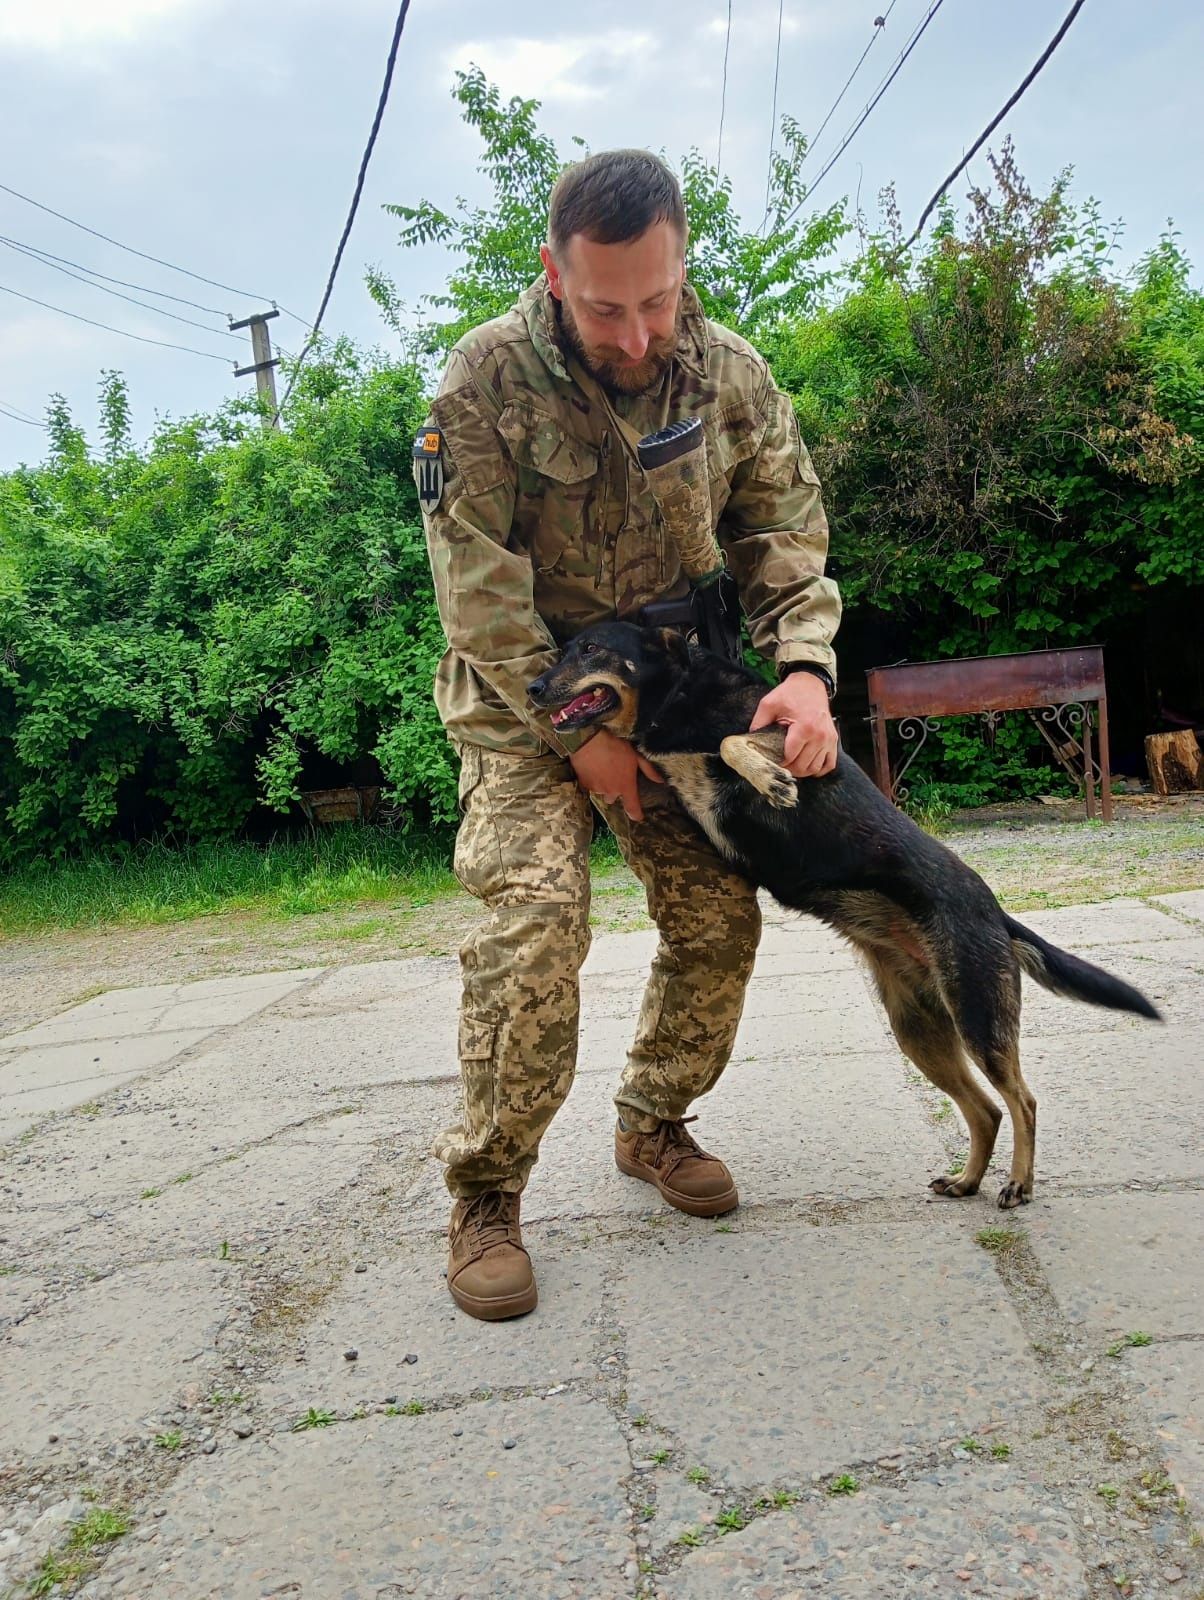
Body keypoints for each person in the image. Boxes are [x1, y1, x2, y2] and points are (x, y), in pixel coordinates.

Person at [414, 149, 840, 1321]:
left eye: (657, 298)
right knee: (540, 916)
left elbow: (782, 528)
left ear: (681, 263)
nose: (640, 332)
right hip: (525, 700)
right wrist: (579, 738)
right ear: (553, 272)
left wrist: (802, 669)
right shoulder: (480, 384)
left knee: (717, 917)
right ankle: (487, 1191)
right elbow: (481, 601)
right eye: (607, 306)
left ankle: (651, 1122)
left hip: (676, 688)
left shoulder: (727, 371)